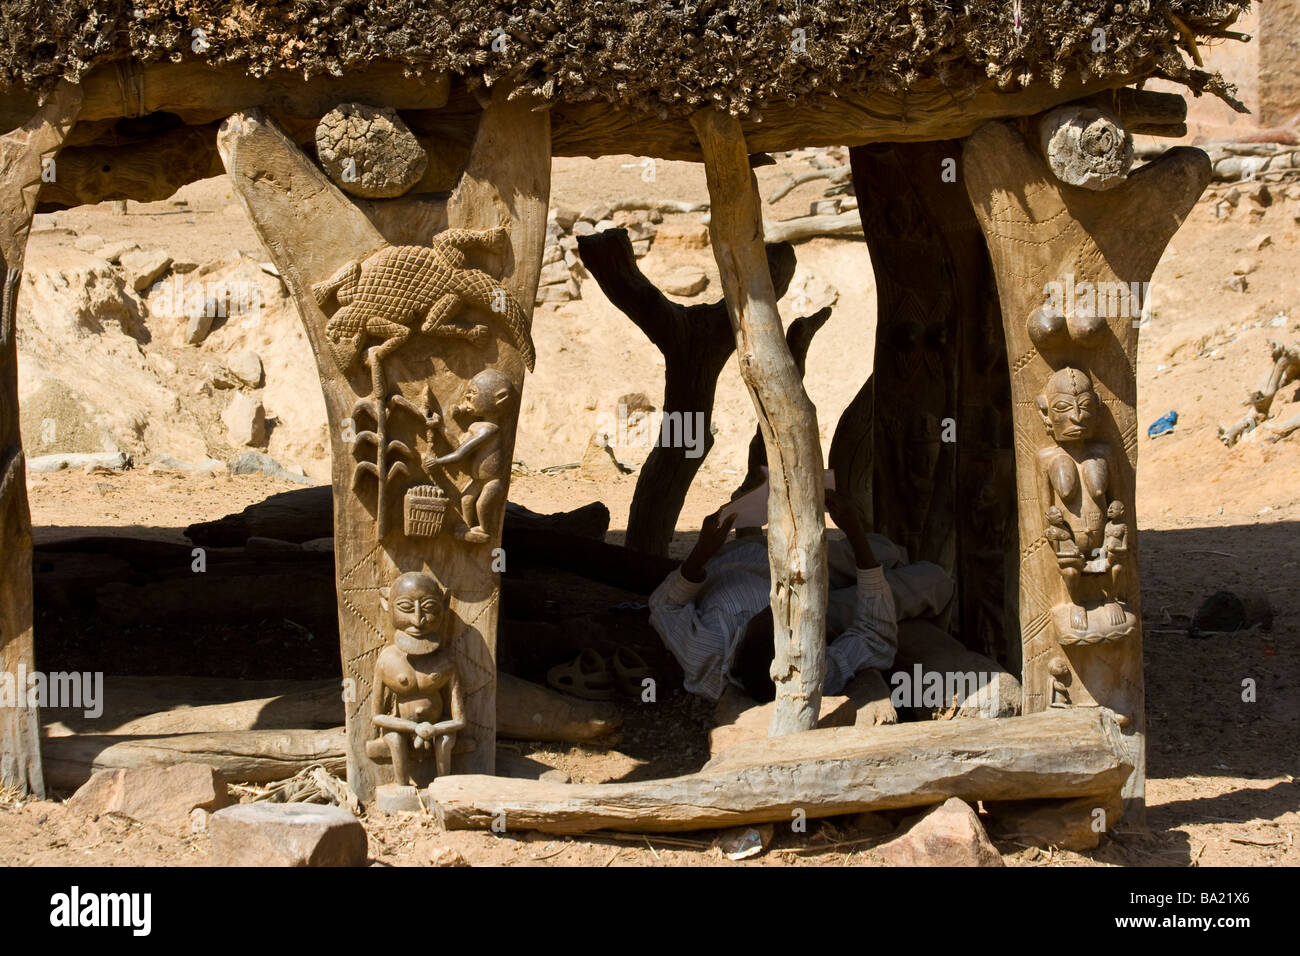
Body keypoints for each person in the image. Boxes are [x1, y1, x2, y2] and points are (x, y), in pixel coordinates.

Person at [648, 490, 953, 703]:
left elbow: (663, 604)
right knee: (934, 581)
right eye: (785, 610)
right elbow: (874, 636)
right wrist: (855, 534)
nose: (783, 597)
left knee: (886, 549)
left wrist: (701, 552)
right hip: (819, 605)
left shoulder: (706, 649)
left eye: (770, 609)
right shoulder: (811, 669)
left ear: (745, 632)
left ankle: (891, 558)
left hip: (745, 558)